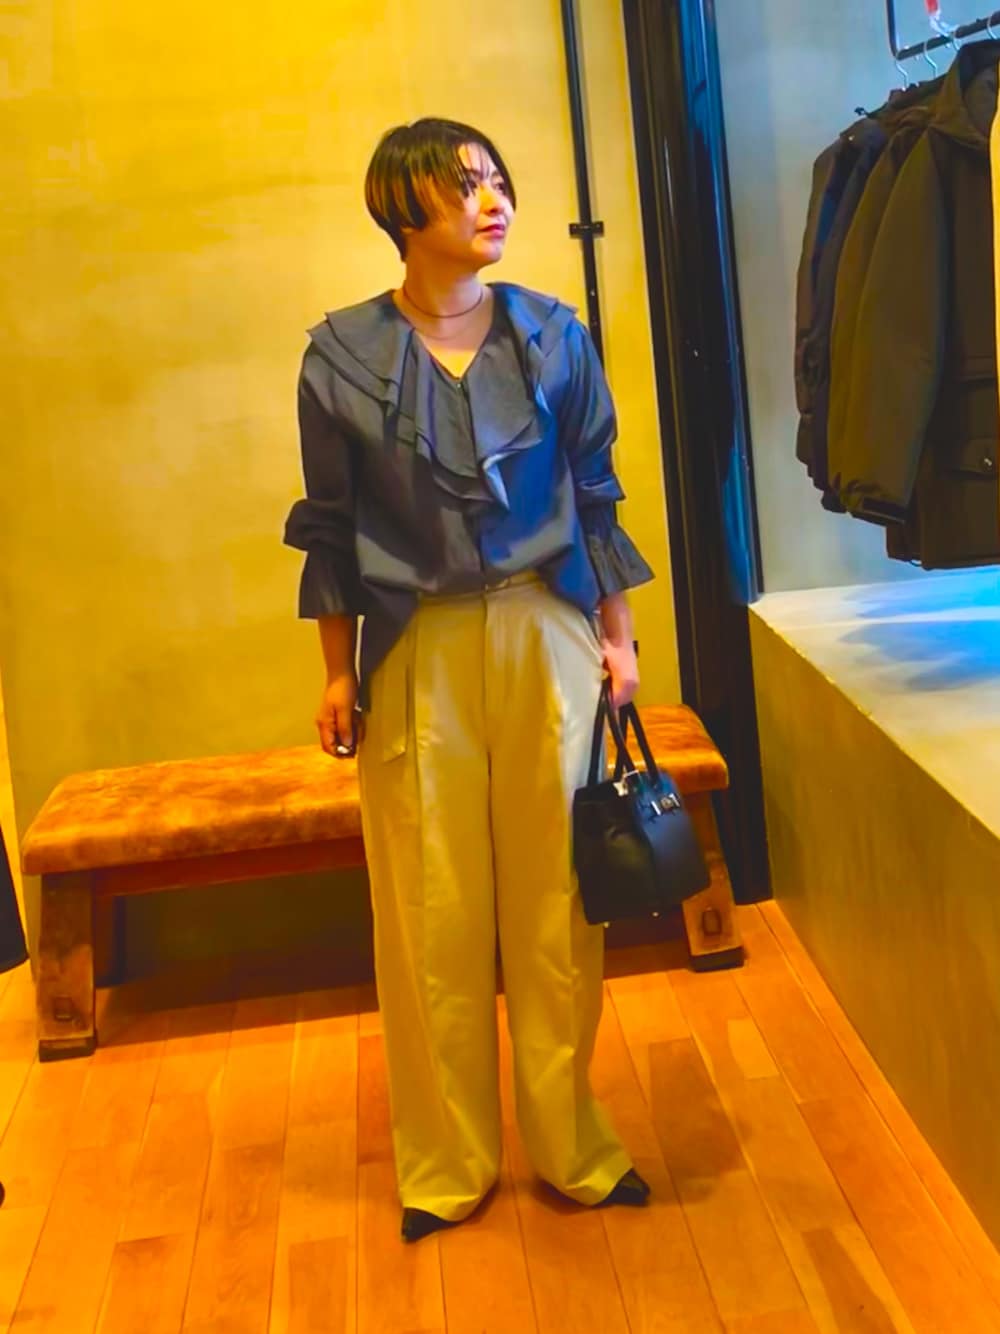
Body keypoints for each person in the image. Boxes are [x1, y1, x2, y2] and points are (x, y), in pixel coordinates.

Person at [284, 118, 655, 1243]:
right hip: (417, 645)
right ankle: (445, 1163)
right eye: (465, 187)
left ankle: (574, 1145)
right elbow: (331, 528)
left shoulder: (551, 335)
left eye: (498, 181)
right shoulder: (341, 356)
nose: (493, 203)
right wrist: (336, 671)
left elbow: (594, 492)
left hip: (547, 629)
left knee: (558, 898)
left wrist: (620, 638)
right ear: (404, 209)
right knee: (427, 907)